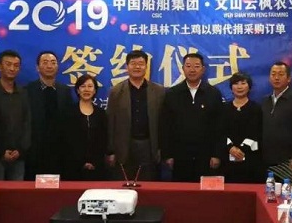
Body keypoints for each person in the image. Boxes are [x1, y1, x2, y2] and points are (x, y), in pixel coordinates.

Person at [160, 53, 224, 182]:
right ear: (182, 69)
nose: (192, 70)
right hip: (180, 155)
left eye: (196, 66)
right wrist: (168, 155)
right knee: (182, 190)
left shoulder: (213, 93)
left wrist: (217, 154)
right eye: (188, 66)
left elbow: (219, 126)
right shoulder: (172, 94)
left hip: (206, 155)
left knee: (206, 191)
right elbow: (165, 126)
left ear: (203, 69)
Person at [106, 50, 165, 182]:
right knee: (124, 185)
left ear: (146, 67)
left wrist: (162, 149)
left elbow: (163, 123)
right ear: (127, 67)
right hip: (124, 146)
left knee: (148, 183)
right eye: (133, 63)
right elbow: (111, 122)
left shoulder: (158, 91)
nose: (137, 67)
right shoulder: (116, 91)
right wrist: (111, 150)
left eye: (141, 63)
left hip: (149, 145)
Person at [25, 51, 74, 179]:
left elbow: (69, 121)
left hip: (60, 151)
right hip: (35, 150)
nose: (49, 66)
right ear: (37, 67)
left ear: (57, 66)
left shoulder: (65, 91)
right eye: (45, 62)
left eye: (53, 63)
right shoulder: (28, 90)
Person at [0, 50, 31, 181]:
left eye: (16, 65)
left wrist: (21, 149)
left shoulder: (23, 93)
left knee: (17, 191)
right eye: (8, 64)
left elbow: (27, 122)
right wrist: (0, 151)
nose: (12, 68)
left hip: (19, 155)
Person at [58, 74, 108, 181]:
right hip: (72, 167)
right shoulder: (68, 112)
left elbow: (103, 140)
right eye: (83, 86)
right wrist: (81, 162)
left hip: (96, 166)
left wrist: (94, 161)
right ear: (77, 90)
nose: (86, 89)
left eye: (90, 86)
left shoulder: (101, 114)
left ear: (95, 91)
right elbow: (65, 141)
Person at [261, 61, 292, 168]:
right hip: (265, 158)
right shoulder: (265, 101)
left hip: (287, 160)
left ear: (289, 78)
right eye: (273, 74)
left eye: (281, 74)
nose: (276, 78)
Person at [222, 72, 263, 183]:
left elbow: (256, 132)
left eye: (243, 83)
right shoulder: (224, 108)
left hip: (250, 158)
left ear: (249, 87)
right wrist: (230, 148)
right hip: (227, 157)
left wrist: (242, 149)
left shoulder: (256, 108)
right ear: (231, 87)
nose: (239, 87)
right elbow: (220, 132)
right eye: (236, 83)